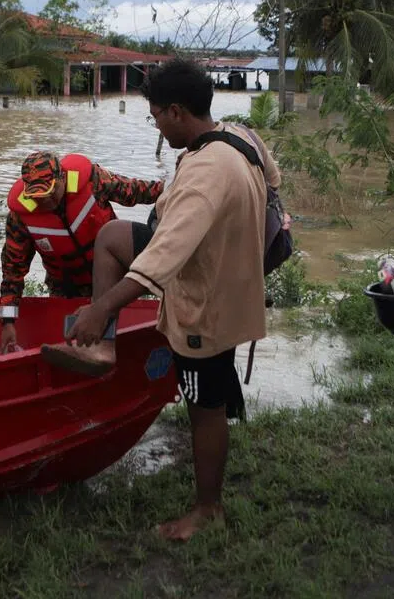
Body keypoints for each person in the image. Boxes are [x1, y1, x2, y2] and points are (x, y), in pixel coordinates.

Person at [41, 58, 279, 541]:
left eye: (155, 117)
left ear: (175, 111)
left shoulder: (206, 174)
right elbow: (274, 182)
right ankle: (105, 347)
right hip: (216, 264)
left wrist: (101, 308)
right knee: (111, 236)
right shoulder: (239, 135)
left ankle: (208, 509)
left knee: (203, 406)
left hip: (206, 298)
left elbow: (165, 256)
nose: (155, 125)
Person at [0, 151, 164, 349]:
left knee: (126, 329)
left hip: (113, 275)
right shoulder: (21, 217)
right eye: (38, 196)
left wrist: (171, 191)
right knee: (71, 339)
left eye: (50, 193)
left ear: (62, 178)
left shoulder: (92, 180)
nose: (46, 201)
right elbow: (12, 269)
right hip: (66, 288)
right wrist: (8, 320)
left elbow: (134, 191)